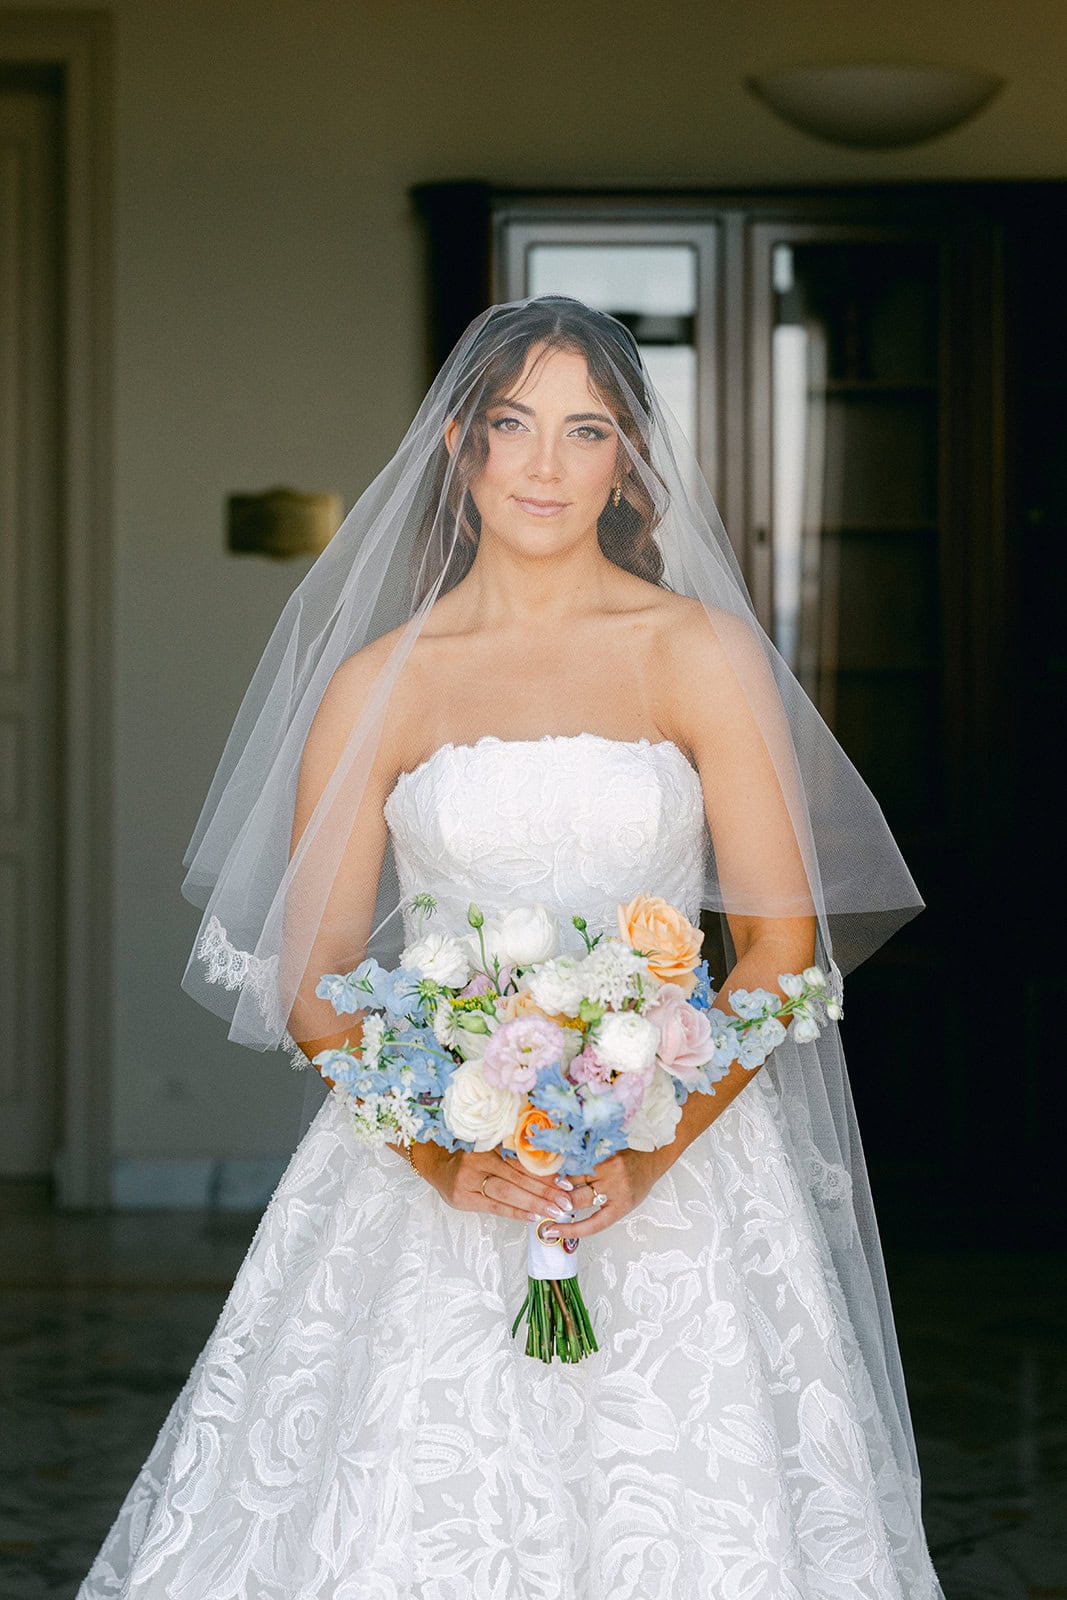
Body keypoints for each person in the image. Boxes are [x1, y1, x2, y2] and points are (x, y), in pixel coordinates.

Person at [78, 296, 945, 1598]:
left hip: (681, 1174)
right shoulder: (381, 682)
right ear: (459, 449)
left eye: (585, 430)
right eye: (513, 425)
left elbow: (778, 947)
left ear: (627, 459)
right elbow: (310, 983)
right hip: (439, 1178)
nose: (546, 466)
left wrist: (653, 1142)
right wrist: (438, 1149)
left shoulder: (700, 655)